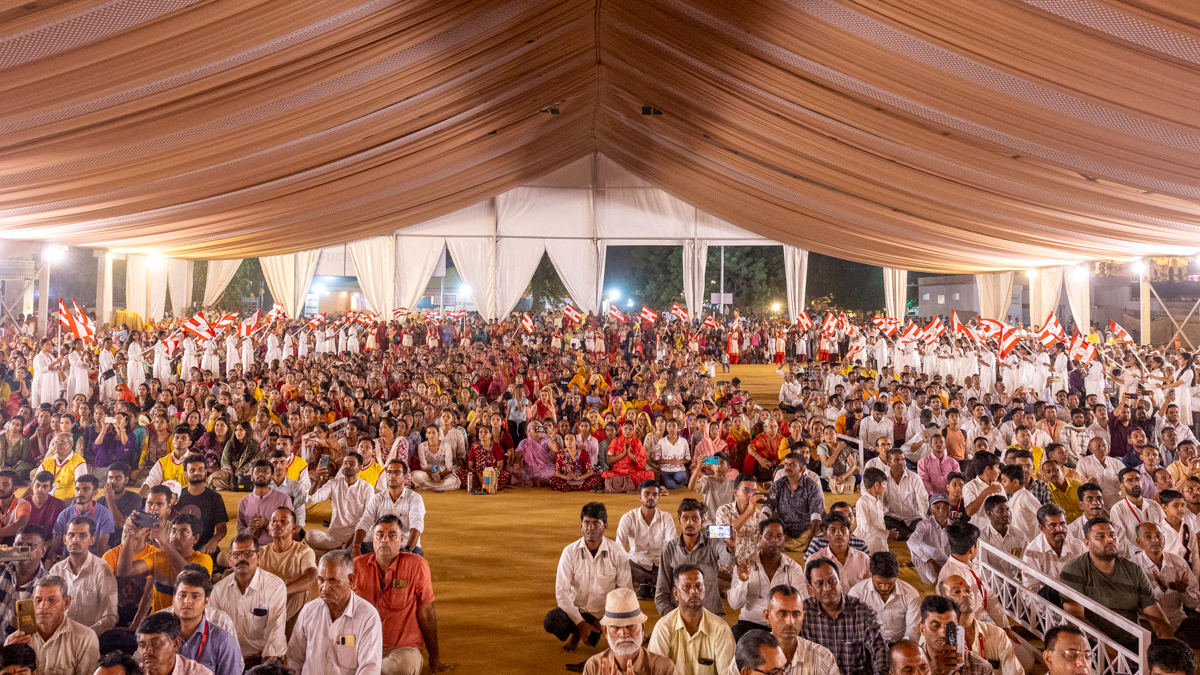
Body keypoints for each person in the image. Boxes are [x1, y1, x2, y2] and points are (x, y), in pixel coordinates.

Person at [351, 515, 450, 675]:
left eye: (392, 536)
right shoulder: (356, 566)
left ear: (402, 539)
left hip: (402, 650)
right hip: (362, 646)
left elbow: (426, 613)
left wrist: (435, 658)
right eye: (380, 535)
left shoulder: (416, 565)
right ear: (373, 538)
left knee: (403, 667)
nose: (385, 540)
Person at [1060, 516, 1175, 648]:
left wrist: (1169, 646)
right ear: (1087, 543)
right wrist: (1113, 652)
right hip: (1094, 645)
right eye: (1100, 536)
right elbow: (1076, 618)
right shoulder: (1075, 569)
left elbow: (1156, 617)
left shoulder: (1134, 570)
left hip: (1133, 642)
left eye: (1112, 535)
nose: (1109, 540)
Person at [548, 502, 633, 653]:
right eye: (587, 523)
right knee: (553, 621)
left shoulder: (617, 552)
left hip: (606, 613)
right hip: (578, 612)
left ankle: (598, 632)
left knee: (619, 642)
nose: (591, 528)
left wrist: (607, 620)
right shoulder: (569, 552)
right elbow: (562, 594)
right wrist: (581, 624)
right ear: (580, 524)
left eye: (596, 523)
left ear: (605, 526)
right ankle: (577, 633)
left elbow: (625, 592)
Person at [285, 549, 383, 675]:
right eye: (321, 580)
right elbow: (294, 659)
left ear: (351, 581)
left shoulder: (368, 616)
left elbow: (369, 669)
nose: (325, 588)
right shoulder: (308, 610)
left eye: (332, 580)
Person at [210, 533, 288, 668]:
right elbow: (213, 630)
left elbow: (276, 631)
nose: (241, 558)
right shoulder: (219, 589)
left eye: (248, 553)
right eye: (236, 555)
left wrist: (264, 667)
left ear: (258, 557)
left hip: (262, 658)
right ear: (230, 560)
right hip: (229, 659)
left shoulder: (274, 586)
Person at [801, 558, 887, 675]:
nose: (827, 587)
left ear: (840, 581)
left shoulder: (863, 612)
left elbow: (879, 652)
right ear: (811, 589)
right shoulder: (803, 613)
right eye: (819, 584)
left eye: (832, 581)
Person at [647, 565, 735, 675]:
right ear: (676, 593)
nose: (694, 591)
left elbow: (728, 673)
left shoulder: (720, 629)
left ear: (704, 590)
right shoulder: (663, 628)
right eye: (687, 586)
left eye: (699, 586)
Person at [2, 575, 99, 675]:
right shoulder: (15, 640)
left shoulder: (85, 638)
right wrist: (10, 653)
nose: (43, 606)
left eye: (51, 600)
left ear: (66, 603)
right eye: (38, 600)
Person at [655, 499, 735, 617]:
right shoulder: (669, 549)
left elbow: (727, 560)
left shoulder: (712, 542)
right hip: (679, 615)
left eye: (695, 519)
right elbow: (661, 592)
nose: (690, 523)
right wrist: (671, 617)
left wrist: (731, 548)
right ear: (679, 520)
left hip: (711, 614)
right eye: (685, 518)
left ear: (702, 521)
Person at [728, 518, 806, 640]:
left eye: (779, 536)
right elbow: (734, 604)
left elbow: (802, 602)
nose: (775, 540)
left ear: (784, 540)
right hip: (750, 625)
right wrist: (743, 580)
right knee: (735, 633)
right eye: (769, 536)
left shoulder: (793, 568)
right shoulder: (744, 565)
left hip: (783, 625)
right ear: (760, 539)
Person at [940, 574, 1024, 675]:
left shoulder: (997, 635)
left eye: (968, 590)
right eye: (957, 592)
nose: (965, 595)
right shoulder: (938, 638)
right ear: (944, 600)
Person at [48, 516, 118, 635]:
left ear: (92, 540)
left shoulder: (102, 569)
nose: (75, 540)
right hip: (59, 637)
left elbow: (110, 617)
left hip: (89, 641)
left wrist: (83, 636)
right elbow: (47, 608)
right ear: (65, 539)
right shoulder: (56, 570)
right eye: (71, 535)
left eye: (82, 535)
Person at [936, 521, 1011, 630]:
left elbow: (988, 595)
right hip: (969, 629)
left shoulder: (967, 565)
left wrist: (1004, 626)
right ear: (972, 548)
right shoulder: (952, 575)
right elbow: (953, 617)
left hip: (982, 621)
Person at [581, 588, 675, 675]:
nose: (623, 633)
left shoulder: (664, 668)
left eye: (630, 625)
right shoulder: (593, 667)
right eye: (615, 627)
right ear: (605, 631)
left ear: (642, 627)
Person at [1131, 521, 1200, 639]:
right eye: (1148, 537)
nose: (1155, 540)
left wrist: (1183, 591)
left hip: (1178, 621)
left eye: (1158, 535)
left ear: (1164, 539)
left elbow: (1194, 604)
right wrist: (1161, 589)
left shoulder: (1177, 562)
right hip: (1149, 625)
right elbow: (1135, 606)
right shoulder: (1133, 566)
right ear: (1139, 543)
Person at [172, 569, 244, 675]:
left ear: (206, 601)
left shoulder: (223, 641)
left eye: (195, 596)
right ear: (173, 600)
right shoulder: (160, 635)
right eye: (182, 595)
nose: (187, 601)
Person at [615, 481, 676, 601]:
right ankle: (657, 583)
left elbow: (672, 545)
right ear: (640, 497)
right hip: (636, 563)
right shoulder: (628, 517)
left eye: (654, 495)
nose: (651, 497)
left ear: (658, 497)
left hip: (661, 564)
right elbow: (618, 546)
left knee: (679, 564)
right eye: (647, 494)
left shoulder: (666, 517)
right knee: (621, 566)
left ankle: (646, 583)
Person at [257, 507, 317, 630]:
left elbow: (312, 576)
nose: (277, 524)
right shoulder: (261, 552)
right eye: (273, 521)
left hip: (290, 613)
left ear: (294, 528)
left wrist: (281, 591)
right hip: (264, 604)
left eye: (283, 521)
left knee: (301, 592)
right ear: (268, 528)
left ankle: (265, 628)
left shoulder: (303, 551)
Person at [352, 459, 425, 557]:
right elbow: (365, 521)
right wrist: (356, 547)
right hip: (380, 544)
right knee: (352, 550)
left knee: (414, 559)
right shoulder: (377, 498)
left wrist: (408, 549)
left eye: (397, 472)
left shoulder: (414, 498)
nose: (392, 475)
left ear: (405, 476)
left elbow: (417, 524)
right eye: (389, 472)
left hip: (404, 545)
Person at [304, 452, 374, 552]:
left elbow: (369, 518)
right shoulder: (334, 483)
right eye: (345, 463)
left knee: (373, 535)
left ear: (360, 467)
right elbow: (311, 500)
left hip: (356, 535)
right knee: (310, 535)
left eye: (351, 464)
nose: (347, 466)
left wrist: (353, 540)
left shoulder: (367, 488)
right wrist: (316, 481)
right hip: (334, 536)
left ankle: (332, 551)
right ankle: (342, 550)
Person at [849, 551, 921, 644]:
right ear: (871, 573)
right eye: (879, 583)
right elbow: (852, 626)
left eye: (889, 583)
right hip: (867, 644)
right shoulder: (857, 593)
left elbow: (913, 630)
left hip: (898, 644)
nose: (884, 588)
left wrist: (903, 649)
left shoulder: (911, 594)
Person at [1021, 504, 1086, 603]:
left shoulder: (1079, 546)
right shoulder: (1033, 552)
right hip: (1046, 604)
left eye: (1062, 524)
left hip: (1075, 598)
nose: (1059, 529)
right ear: (1042, 528)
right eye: (1053, 525)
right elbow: (1030, 591)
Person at [916, 595, 992, 675]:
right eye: (935, 626)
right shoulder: (909, 663)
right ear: (922, 629)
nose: (943, 633)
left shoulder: (982, 668)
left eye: (950, 626)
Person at [767, 453, 824, 551]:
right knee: (769, 536)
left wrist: (813, 534)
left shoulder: (812, 487)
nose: (787, 467)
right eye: (786, 464)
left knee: (817, 538)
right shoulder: (778, 485)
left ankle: (786, 546)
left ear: (801, 468)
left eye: (792, 464)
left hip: (805, 531)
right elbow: (768, 505)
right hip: (783, 531)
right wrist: (763, 522)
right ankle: (796, 546)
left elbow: (816, 512)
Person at [175, 455, 228, 558]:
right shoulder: (178, 496)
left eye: (200, 470)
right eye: (192, 470)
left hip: (204, 548)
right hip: (179, 548)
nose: (197, 473)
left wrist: (213, 542)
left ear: (205, 472)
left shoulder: (215, 497)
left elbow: (222, 529)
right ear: (185, 474)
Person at [0, 526, 50, 636]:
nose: (23, 550)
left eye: (31, 546)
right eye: (19, 546)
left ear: (43, 551)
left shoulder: (48, 587)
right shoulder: (1, 569)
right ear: (12, 547)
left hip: (16, 649)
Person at [807, 512, 871, 593]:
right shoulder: (814, 560)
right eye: (833, 530)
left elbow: (869, 591)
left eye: (843, 529)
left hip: (858, 605)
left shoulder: (863, 559)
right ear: (825, 534)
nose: (839, 534)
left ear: (850, 533)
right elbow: (811, 593)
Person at [51, 475, 114, 556]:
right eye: (77, 489)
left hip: (93, 560)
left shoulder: (105, 514)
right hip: (68, 559)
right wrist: (51, 559)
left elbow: (100, 550)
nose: (80, 493)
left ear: (94, 493)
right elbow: (55, 546)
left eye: (85, 489)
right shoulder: (64, 514)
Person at [135, 611, 213, 675]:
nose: (147, 650)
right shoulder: (132, 672)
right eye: (142, 645)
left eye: (156, 643)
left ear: (175, 643)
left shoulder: (199, 673)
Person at [1109, 467, 1165, 554]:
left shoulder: (1154, 505)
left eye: (1137, 479)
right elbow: (1121, 539)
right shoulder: (1117, 509)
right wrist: (1141, 553)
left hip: (1157, 553)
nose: (1135, 483)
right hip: (1134, 557)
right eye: (1130, 480)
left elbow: (1164, 529)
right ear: (1122, 486)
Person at [237, 461, 292, 547]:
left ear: (272, 477)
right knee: (223, 557)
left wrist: (268, 523)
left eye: (265, 471)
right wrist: (250, 529)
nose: (261, 474)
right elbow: (240, 533)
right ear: (251, 477)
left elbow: (288, 530)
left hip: (276, 547)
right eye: (257, 471)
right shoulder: (244, 502)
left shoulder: (284, 499)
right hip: (251, 549)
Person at [881, 448, 927, 540]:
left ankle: (904, 534)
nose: (901, 463)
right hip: (894, 519)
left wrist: (925, 521)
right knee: (883, 520)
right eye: (896, 460)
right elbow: (879, 502)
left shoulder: (915, 478)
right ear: (888, 463)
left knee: (922, 525)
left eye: (903, 460)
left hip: (913, 519)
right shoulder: (883, 479)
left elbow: (922, 500)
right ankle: (910, 535)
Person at [908, 495, 952, 585]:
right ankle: (935, 580)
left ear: (950, 511)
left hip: (948, 562)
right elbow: (911, 541)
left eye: (945, 508)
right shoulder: (924, 525)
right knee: (915, 551)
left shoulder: (954, 526)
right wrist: (930, 561)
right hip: (929, 561)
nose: (941, 510)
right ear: (931, 510)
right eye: (937, 508)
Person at [98, 463, 143, 541]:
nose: (113, 481)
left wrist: (110, 499)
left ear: (126, 480)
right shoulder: (100, 501)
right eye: (110, 478)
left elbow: (120, 525)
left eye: (118, 478)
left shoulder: (134, 498)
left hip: (123, 542)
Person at [37, 433, 88, 502]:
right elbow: (35, 484)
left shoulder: (79, 462)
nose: (57, 445)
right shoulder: (47, 462)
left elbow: (81, 488)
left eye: (61, 442)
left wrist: (71, 509)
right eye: (55, 443)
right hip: (47, 501)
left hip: (68, 502)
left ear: (71, 444)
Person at [856, 468, 895, 554]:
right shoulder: (862, 502)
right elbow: (867, 526)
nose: (885, 488)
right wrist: (887, 534)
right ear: (876, 485)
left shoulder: (878, 501)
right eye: (884, 484)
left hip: (881, 545)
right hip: (868, 546)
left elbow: (880, 524)